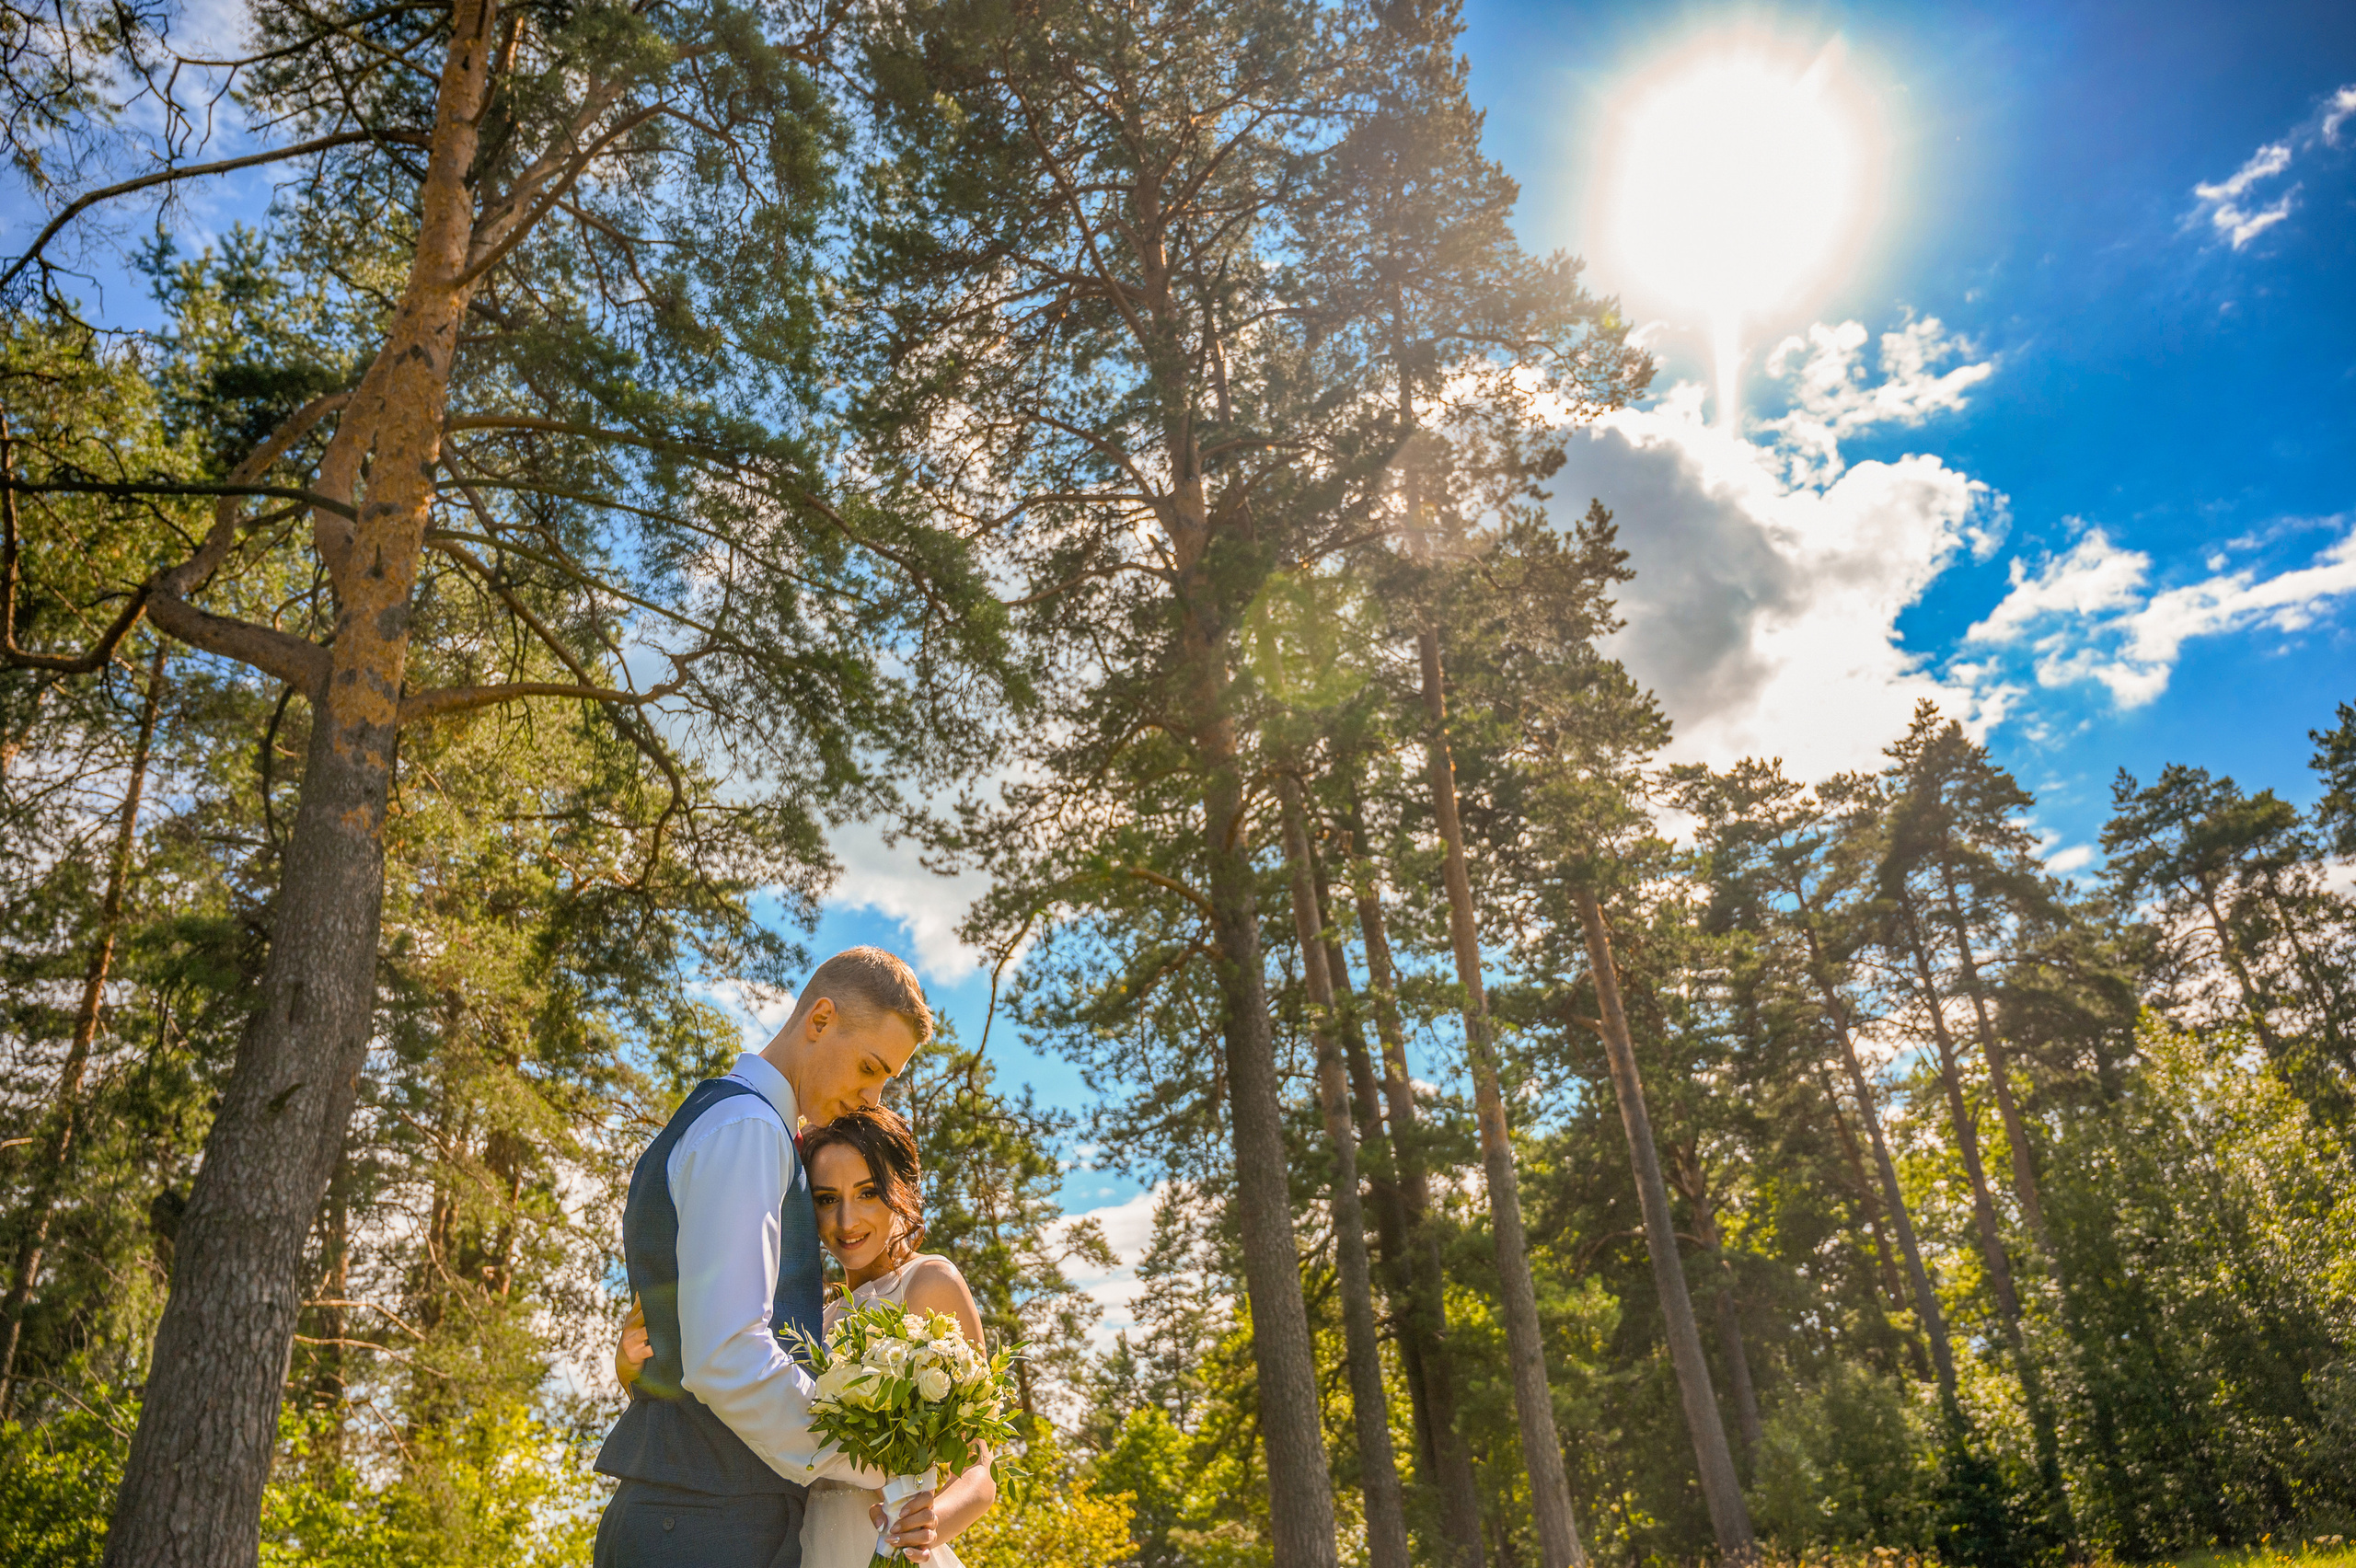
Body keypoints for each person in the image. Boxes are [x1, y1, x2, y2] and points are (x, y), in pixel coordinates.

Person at [593, 948, 942, 1568]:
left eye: (884, 1081)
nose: (871, 1096)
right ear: (820, 1020)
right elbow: (728, 1354)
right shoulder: (748, 1129)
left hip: (700, 1515)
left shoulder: (727, 1118)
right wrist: (868, 1456)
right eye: (868, 1067)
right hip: (707, 1528)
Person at [618, 1108, 1000, 1568]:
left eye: (867, 1193)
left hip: (889, 1545)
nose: (846, 1220)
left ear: (903, 1190)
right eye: (826, 1198)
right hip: (798, 1543)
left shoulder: (930, 1283)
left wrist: (928, 1521)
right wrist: (632, 1376)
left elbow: (979, 1471)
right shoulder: (813, 1319)